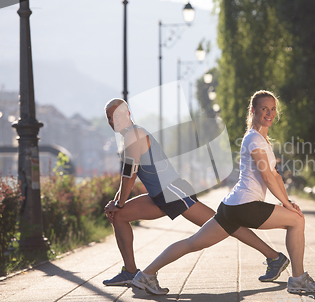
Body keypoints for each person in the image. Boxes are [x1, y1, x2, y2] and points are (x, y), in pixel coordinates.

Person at [131, 91, 315, 295]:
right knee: (296, 221)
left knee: (193, 243)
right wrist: (287, 206)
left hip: (232, 207)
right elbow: (268, 177)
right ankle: (298, 279)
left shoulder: (261, 139)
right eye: (264, 109)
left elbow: (276, 176)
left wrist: (287, 201)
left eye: (272, 109)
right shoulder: (254, 139)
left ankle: (145, 275)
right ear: (253, 111)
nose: (269, 113)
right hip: (245, 205)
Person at [102, 98, 287, 286]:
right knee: (120, 216)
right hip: (159, 197)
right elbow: (127, 177)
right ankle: (129, 271)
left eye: (116, 116)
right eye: (109, 118)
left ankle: (274, 257)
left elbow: (129, 177)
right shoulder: (129, 137)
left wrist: (118, 204)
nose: (112, 122)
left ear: (127, 114)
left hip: (172, 193)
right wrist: (118, 204)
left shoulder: (134, 136)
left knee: (225, 224)